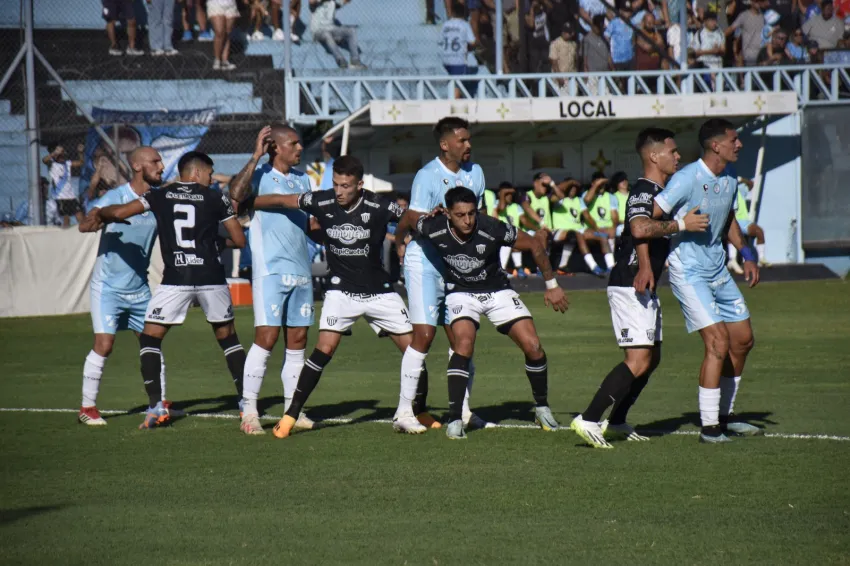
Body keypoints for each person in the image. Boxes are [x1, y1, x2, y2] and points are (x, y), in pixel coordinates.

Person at [243, 156, 429, 437]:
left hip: (380, 292)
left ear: (360, 185)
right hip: (341, 292)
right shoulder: (322, 200)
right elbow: (283, 201)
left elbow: (409, 218)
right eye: (336, 184)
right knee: (324, 350)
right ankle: (292, 415)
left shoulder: (379, 205)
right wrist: (247, 203)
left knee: (415, 351)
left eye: (346, 186)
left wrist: (421, 227)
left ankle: (416, 411)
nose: (339, 191)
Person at [88, 151, 248, 429]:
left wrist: (101, 213)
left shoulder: (161, 195)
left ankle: (155, 407)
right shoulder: (215, 198)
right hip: (211, 276)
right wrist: (215, 244)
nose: (212, 178)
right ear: (196, 173)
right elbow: (239, 239)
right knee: (228, 339)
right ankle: (247, 403)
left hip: (176, 279)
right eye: (210, 173)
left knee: (150, 339)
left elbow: (122, 212)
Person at [570, 128, 709, 448]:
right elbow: (639, 227)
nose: (678, 156)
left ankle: (617, 420)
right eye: (672, 151)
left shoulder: (661, 191)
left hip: (643, 285)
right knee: (638, 359)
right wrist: (680, 225)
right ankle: (589, 418)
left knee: (652, 357)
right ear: (653, 156)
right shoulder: (643, 191)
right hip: (630, 283)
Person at [412, 187, 569, 439]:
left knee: (534, 346)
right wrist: (401, 243)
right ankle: (455, 418)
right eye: (460, 214)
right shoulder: (433, 226)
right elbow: (409, 219)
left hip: (498, 290)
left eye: (472, 213)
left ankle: (541, 407)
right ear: (448, 214)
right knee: (464, 343)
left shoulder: (491, 227)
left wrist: (551, 285)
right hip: (461, 292)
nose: (467, 220)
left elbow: (533, 243)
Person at [653, 118, 763, 443]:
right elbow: (652, 216)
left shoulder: (729, 178)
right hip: (688, 271)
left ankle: (724, 418)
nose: (739, 145)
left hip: (718, 270)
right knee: (717, 342)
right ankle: (710, 429)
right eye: (734, 140)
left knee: (742, 340)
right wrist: (681, 224)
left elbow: (728, 218)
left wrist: (746, 253)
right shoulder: (687, 178)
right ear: (716, 145)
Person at [394, 116, 487, 431]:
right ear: (445, 145)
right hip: (425, 264)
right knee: (424, 335)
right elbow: (412, 217)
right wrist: (399, 243)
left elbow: (478, 219)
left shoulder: (476, 173)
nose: (468, 145)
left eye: (469, 139)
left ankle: (462, 412)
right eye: (462, 140)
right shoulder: (427, 176)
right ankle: (404, 413)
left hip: (458, 267)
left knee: (463, 339)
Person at [228, 124, 316, 435]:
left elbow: (311, 224)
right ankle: (249, 412)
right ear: (274, 147)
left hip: (301, 270)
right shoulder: (261, 175)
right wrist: (254, 156)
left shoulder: (303, 179)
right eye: (293, 143)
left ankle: (294, 409)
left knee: (298, 343)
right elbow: (235, 198)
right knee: (266, 338)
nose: (299, 148)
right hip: (270, 271)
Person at [76, 147, 164, 426]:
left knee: (152, 343)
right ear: (138, 166)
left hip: (139, 288)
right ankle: (87, 408)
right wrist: (95, 220)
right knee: (104, 344)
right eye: (155, 161)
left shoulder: (159, 200)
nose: (161, 166)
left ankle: (159, 403)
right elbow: (86, 224)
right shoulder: (115, 198)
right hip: (108, 288)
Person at [551, 178, 606, 275]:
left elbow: (587, 216)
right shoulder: (559, 199)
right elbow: (555, 193)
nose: (573, 190)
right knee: (577, 235)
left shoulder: (579, 200)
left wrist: (597, 229)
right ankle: (593, 266)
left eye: (575, 188)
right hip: (560, 231)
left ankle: (610, 266)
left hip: (577, 230)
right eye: (571, 188)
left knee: (602, 236)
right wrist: (570, 181)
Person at [309, 0, 367, 69]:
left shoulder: (333, 2)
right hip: (318, 30)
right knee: (326, 34)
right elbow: (311, 2)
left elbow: (343, 2)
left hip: (331, 28)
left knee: (351, 31)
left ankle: (355, 61)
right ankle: (340, 59)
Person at [727, 177, 768, 271]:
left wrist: (741, 179)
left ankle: (761, 259)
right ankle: (732, 260)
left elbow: (751, 184)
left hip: (744, 221)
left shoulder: (740, 190)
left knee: (759, 231)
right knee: (731, 232)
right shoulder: (725, 193)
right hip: (733, 220)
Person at [441, 2, 478, 98]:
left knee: (454, 81)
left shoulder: (446, 25)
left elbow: (442, 40)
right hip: (458, 59)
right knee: (457, 85)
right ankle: (453, 105)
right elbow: (473, 42)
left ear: (452, 13)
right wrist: (469, 47)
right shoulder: (464, 25)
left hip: (446, 59)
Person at [43, 144, 85, 228]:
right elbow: (44, 160)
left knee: (81, 217)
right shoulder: (52, 164)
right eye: (60, 155)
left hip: (71, 196)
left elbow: (81, 162)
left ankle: (84, 234)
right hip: (60, 197)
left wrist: (80, 153)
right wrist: (55, 152)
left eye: (63, 154)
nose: (63, 156)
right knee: (66, 219)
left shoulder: (67, 163)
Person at [582, 175, 619, 267]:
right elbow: (586, 200)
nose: (601, 186)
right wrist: (596, 185)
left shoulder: (611, 197)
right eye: (599, 184)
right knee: (602, 235)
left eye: (603, 184)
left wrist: (613, 227)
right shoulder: (586, 194)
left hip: (606, 227)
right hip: (591, 229)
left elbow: (614, 216)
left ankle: (611, 264)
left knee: (612, 232)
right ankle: (610, 265)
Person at [495, 182, 529, 278]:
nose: (509, 197)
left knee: (515, 240)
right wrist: (505, 193)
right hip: (499, 235)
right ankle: (501, 270)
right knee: (508, 241)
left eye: (511, 195)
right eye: (507, 194)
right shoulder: (496, 203)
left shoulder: (516, 206)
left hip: (514, 234)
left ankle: (519, 268)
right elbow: (501, 208)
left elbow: (524, 220)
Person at [726, 0, 766, 67]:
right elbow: (731, 30)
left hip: (761, 55)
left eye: (761, 1)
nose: (759, 3)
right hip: (749, 55)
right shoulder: (744, 15)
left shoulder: (763, 16)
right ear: (752, 2)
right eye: (757, 1)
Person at [207, 0, 240, 70]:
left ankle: (225, 60)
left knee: (227, 33)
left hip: (231, 3)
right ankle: (217, 59)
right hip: (215, 3)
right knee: (219, 31)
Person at [610, 171, 630, 237]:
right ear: (616, 183)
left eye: (625, 179)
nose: (624, 182)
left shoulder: (633, 195)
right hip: (620, 225)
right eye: (621, 180)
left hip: (634, 224)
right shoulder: (613, 197)